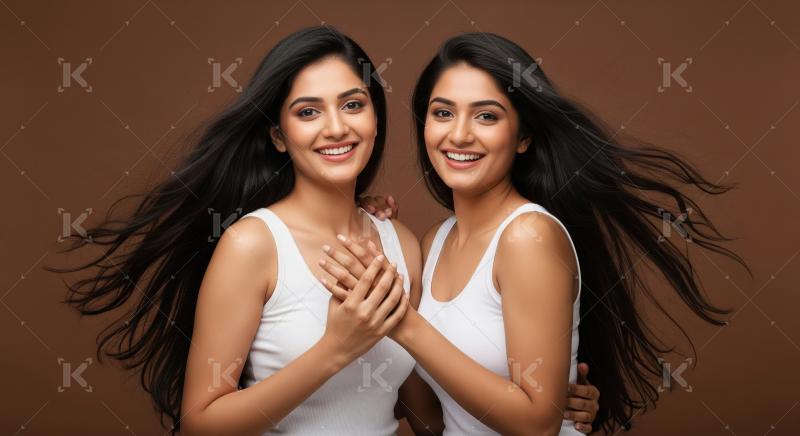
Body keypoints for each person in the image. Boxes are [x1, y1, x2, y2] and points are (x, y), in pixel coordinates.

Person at [48, 27, 600, 435]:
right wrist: (335, 349)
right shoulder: (253, 244)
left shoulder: (403, 242)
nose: (336, 127)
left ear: (376, 118)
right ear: (279, 135)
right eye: (308, 112)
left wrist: (550, 407)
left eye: (352, 104)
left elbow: (423, 409)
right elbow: (200, 425)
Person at [321, 32, 749, 435]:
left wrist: (403, 324)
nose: (459, 134)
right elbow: (433, 423)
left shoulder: (529, 237)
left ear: (523, 136)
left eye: (486, 115)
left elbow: (537, 425)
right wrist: (373, 310)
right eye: (443, 112)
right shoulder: (435, 241)